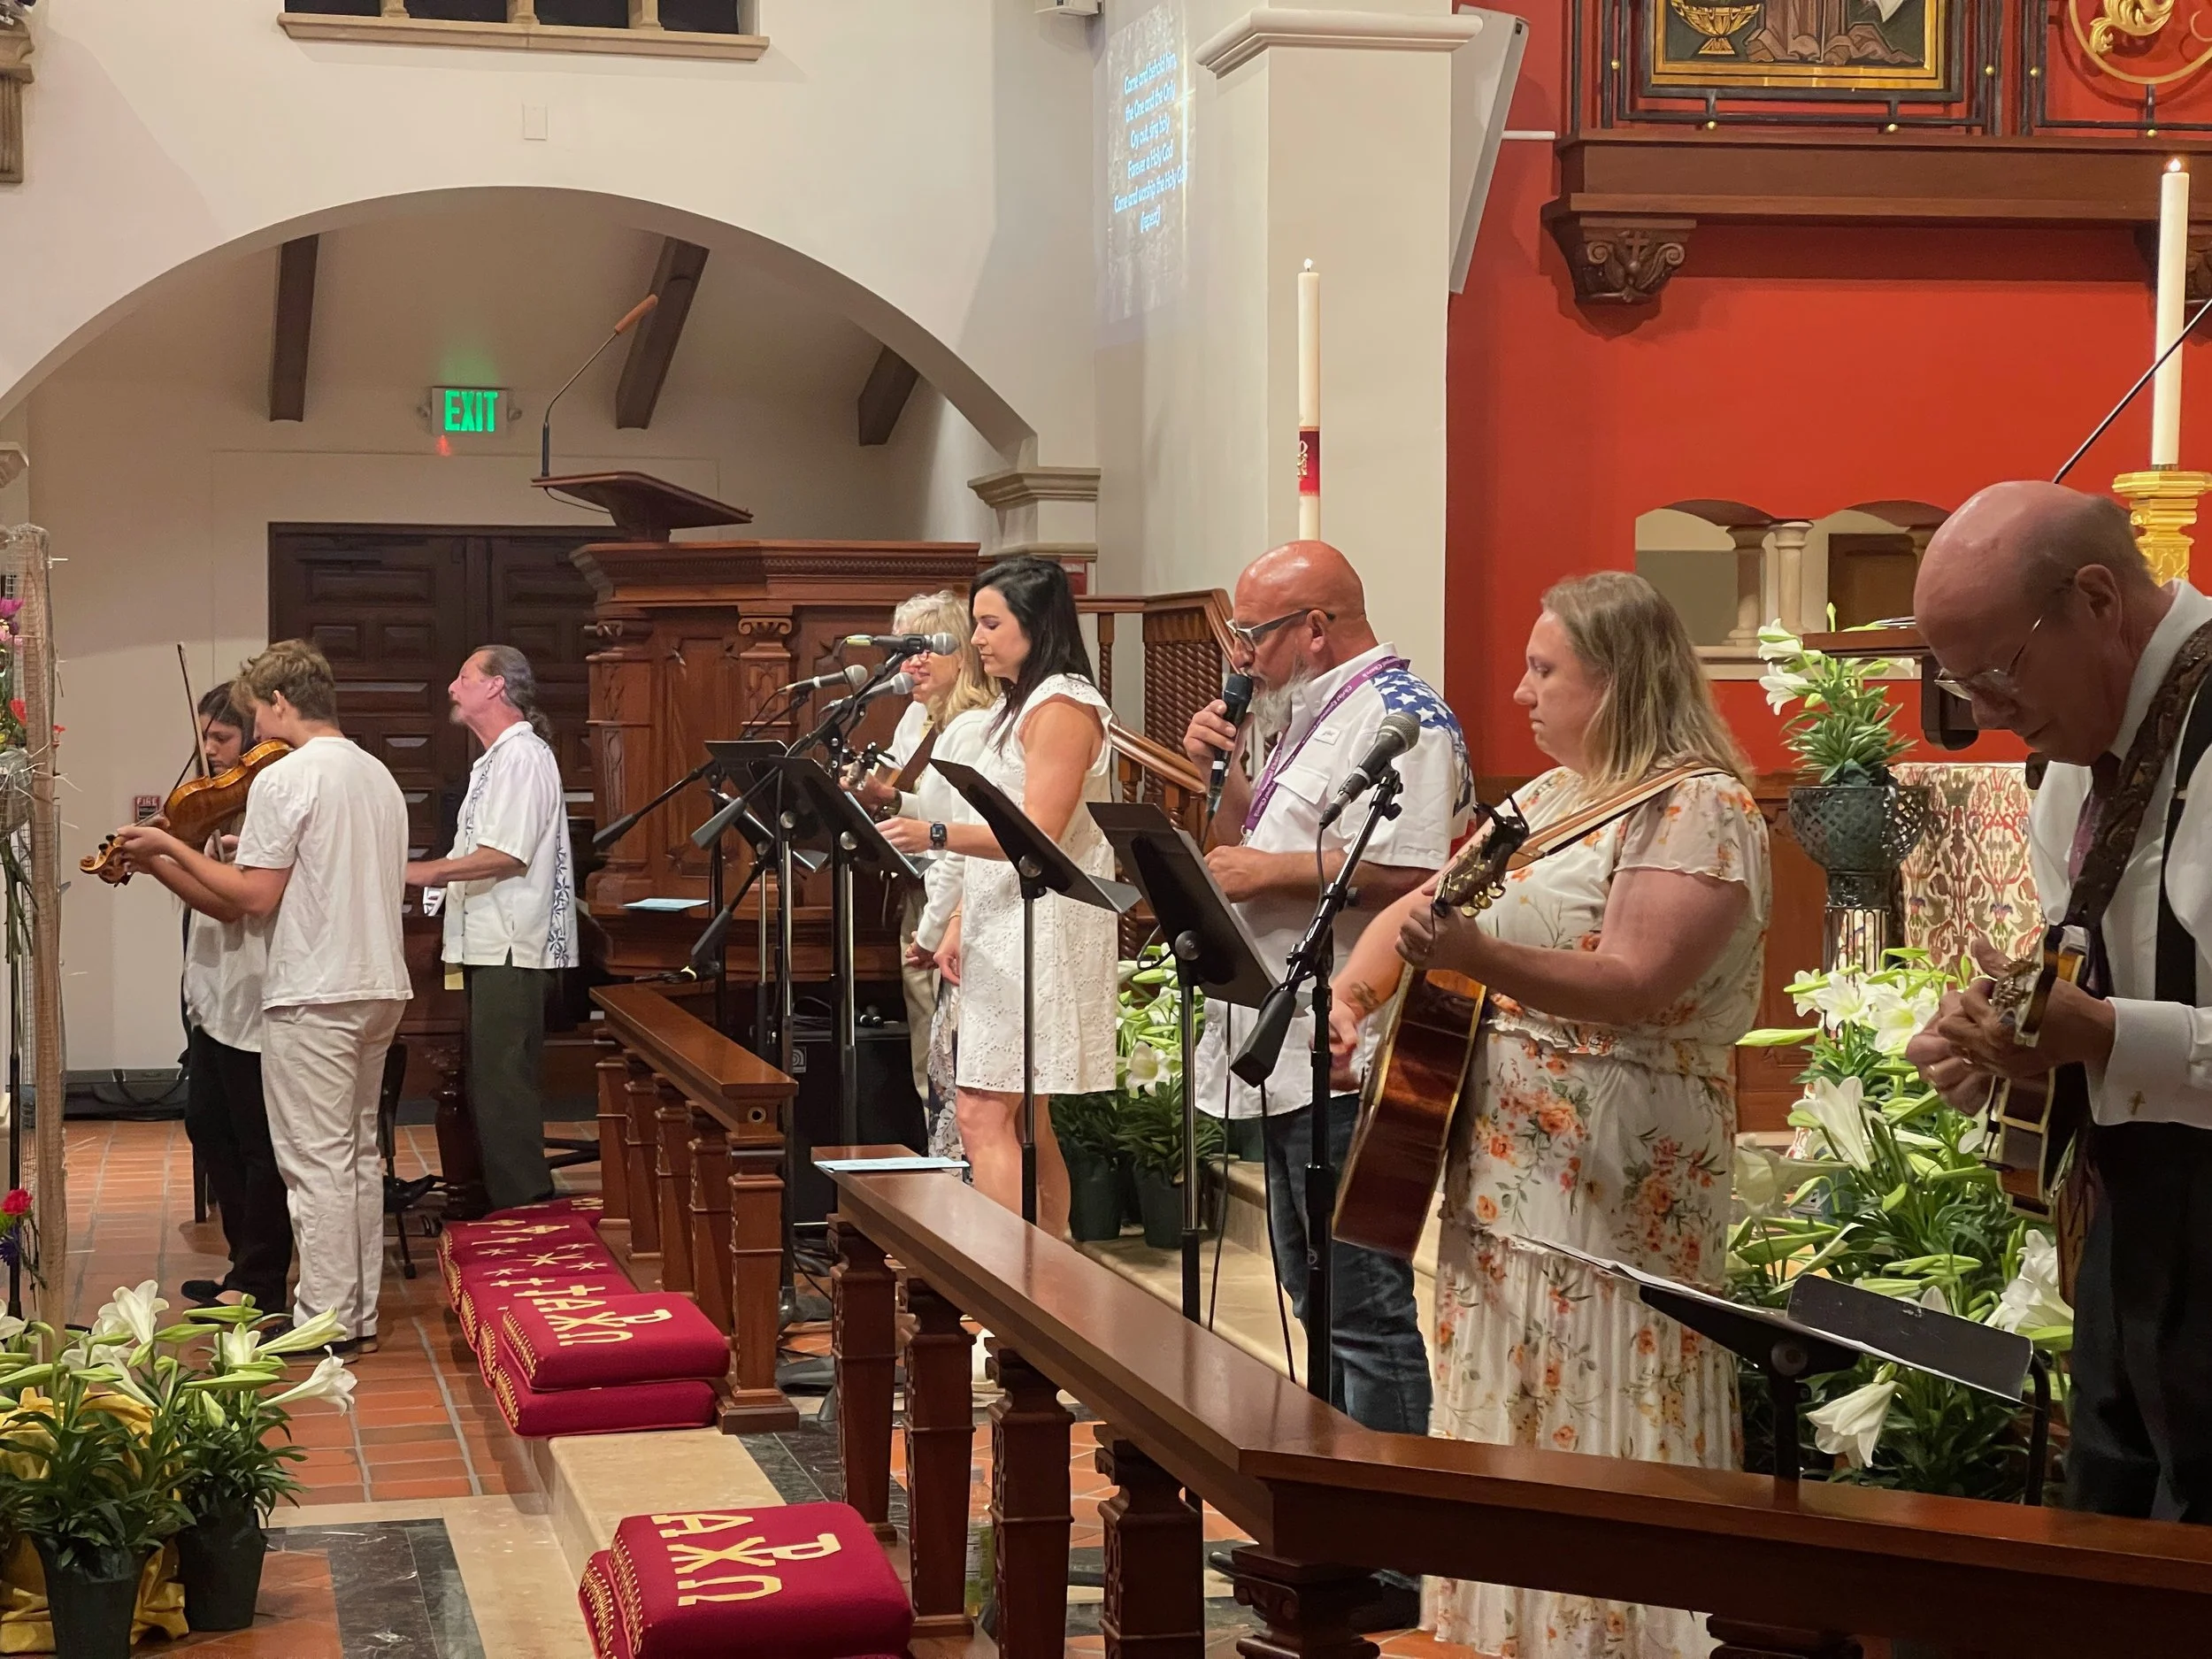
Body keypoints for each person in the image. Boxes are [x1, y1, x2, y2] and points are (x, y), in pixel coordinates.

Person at [1330, 572, 1770, 1659]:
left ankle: (1627, 1635)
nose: (1519, 692)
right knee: (1513, 1384)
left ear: (1616, 683)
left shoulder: (1699, 804)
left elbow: (1637, 978)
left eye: (1544, 670)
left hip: (1617, 1171)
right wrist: (1352, 995)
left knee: (1612, 1384)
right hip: (1507, 1167)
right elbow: (1419, 908)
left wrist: (1478, 957)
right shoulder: (1554, 797)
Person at [1906, 480, 2212, 1525]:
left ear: (2095, 599)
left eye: (1996, 674)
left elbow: (2115, 1019)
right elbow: (2071, 976)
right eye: (1960, 687)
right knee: (2108, 1540)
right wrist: (2002, 1038)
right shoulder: (2076, 763)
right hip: (2130, 1225)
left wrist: (2111, 1035)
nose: (1989, 717)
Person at [1179, 541, 1468, 1458]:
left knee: (1364, 1309)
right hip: (1283, 1036)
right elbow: (1243, 845)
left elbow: (1426, 875)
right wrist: (1215, 771)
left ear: (1314, 629)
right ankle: (1326, 1498)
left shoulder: (1401, 716)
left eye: (1252, 634)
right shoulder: (1307, 714)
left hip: (1359, 1047)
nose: (1238, 655)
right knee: (1312, 1293)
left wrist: (1273, 868)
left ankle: (1388, 1537)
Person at [114, 640, 411, 1356]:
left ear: (280, 702)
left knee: (312, 1162)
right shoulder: (377, 773)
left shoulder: (291, 776)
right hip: (380, 983)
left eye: (258, 715)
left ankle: (323, 1313)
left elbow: (251, 896)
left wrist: (166, 849)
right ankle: (356, 1308)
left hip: (315, 988)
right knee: (355, 1155)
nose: (260, 733)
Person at [879, 555, 1116, 1234]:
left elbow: (1039, 829)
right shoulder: (1019, 704)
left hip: (1043, 925)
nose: (977, 639)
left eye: (990, 623)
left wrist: (935, 831)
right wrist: (957, 918)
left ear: (1035, 626)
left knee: (984, 1112)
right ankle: (1049, 1276)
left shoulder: (1064, 706)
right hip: (1001, 918)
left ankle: (1009, 1297)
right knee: (1025, 1114)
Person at [129, 689, 288, 1314]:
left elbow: (234, 901)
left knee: (257, 1141)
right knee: (207, 1125)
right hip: (212, 996)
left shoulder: (273, 799)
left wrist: (166, 857)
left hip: (255, 995)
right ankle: (240, 1263)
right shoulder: (218, 808)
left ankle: (261, 1278)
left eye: (222, 739)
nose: (210, 753)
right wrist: (186, 845)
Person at [404, 646, 577, 1213]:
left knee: (503, 1082)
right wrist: (427, 887)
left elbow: (504, 854)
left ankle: (526, 1206)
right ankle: (503, 1199)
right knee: (488, 1078)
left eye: (463, 677)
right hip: (486, 938)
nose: (452, 688)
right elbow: (471, 848)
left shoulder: (523, 757)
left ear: (496, 687)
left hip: (513, 942)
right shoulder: (492, 761)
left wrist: (418, 870)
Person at [850, 592, 995, 1158]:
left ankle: (962, 1183)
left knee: (957, 1061)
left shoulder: (976, 726)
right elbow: (921, 805)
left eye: (926, 649)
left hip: (958, 900)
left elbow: (959, 833)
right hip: (921, 888)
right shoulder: (917, 715)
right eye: (905, 649)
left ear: (962, 654)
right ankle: (939, 1171)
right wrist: (882, 797)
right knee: (926, 1054)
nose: (912, 663)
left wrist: (935, 931)